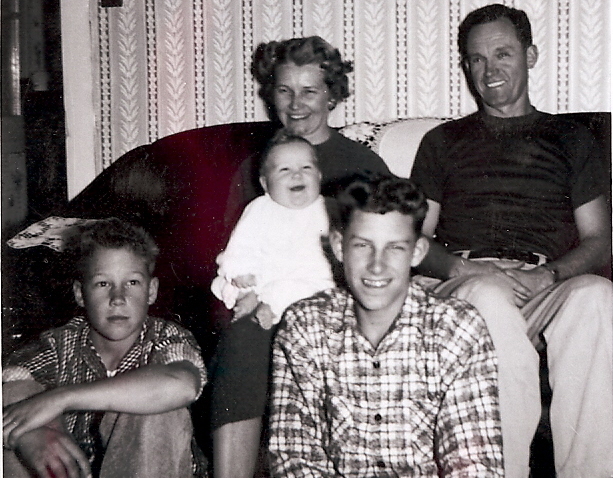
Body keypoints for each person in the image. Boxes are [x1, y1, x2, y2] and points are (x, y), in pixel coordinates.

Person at [410, 4, 613, 478]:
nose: (489, 69)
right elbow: (413, 238)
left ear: (531, 55)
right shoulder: (442, 141)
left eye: (502, 54)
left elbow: (600, 239)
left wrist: (550, 274)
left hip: (543, 281)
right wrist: (466, 270)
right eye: (476, 59)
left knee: (597, 297)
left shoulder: (573, 138)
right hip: (466, 280)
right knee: (489, 295)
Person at [211, 36, 391, 478]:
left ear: (332, 94)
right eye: (285, 90)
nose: (296, 104)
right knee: (242, 338)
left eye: (309, 91)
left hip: (336, 305)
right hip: (265, 304)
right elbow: (238, 250)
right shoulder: (258, 167)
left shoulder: (360, 164)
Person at [268, 175, 504, 477]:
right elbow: (294, 458)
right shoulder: (305, 326)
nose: (376, 265)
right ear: (339, 246)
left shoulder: (457, 329)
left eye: (394, 248)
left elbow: (475, 465)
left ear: (417, 252)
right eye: (363, 245)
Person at [2, 218, 208, 478]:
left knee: (159, 409)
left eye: (132, 282)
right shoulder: (59, 345)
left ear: (152, 291)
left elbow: (183, 384)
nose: (118, 299)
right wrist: (34, 433)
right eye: (103, 284)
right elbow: (11, 379)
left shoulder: (166, 337)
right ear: (80, 293)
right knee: (15, 398)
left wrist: (60, 398)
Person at [211, 131, 334, 329]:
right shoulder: (260, 208)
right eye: (284, 170)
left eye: (306, 167)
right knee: (227, 282)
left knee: (315, 292)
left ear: (319, 177)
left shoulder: (329, 209)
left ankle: (266, 307)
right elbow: (241, 243)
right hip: (262, 275)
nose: (297, 174)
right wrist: (240, 270)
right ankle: (250, 298)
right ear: (265, 184)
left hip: (308, 280)